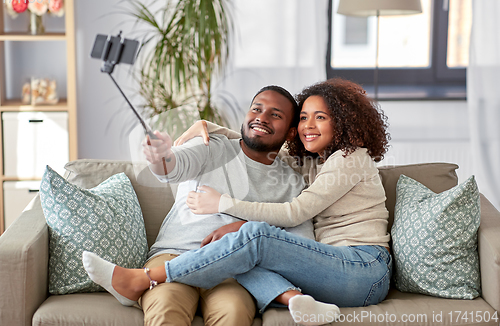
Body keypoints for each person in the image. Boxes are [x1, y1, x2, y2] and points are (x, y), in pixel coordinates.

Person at [84, 78, 392, 326]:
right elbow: (181, 164)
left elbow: (297, 213)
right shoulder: (310, 163)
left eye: (320, 117)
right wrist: (207, 129)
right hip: (185, 254)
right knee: (232, 259)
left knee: (250, 241)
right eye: (304, 118)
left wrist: (225, 206)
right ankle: (292, 298)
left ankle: (141, 279)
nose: (309, 125)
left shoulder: (348, 159)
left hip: (361, 265)